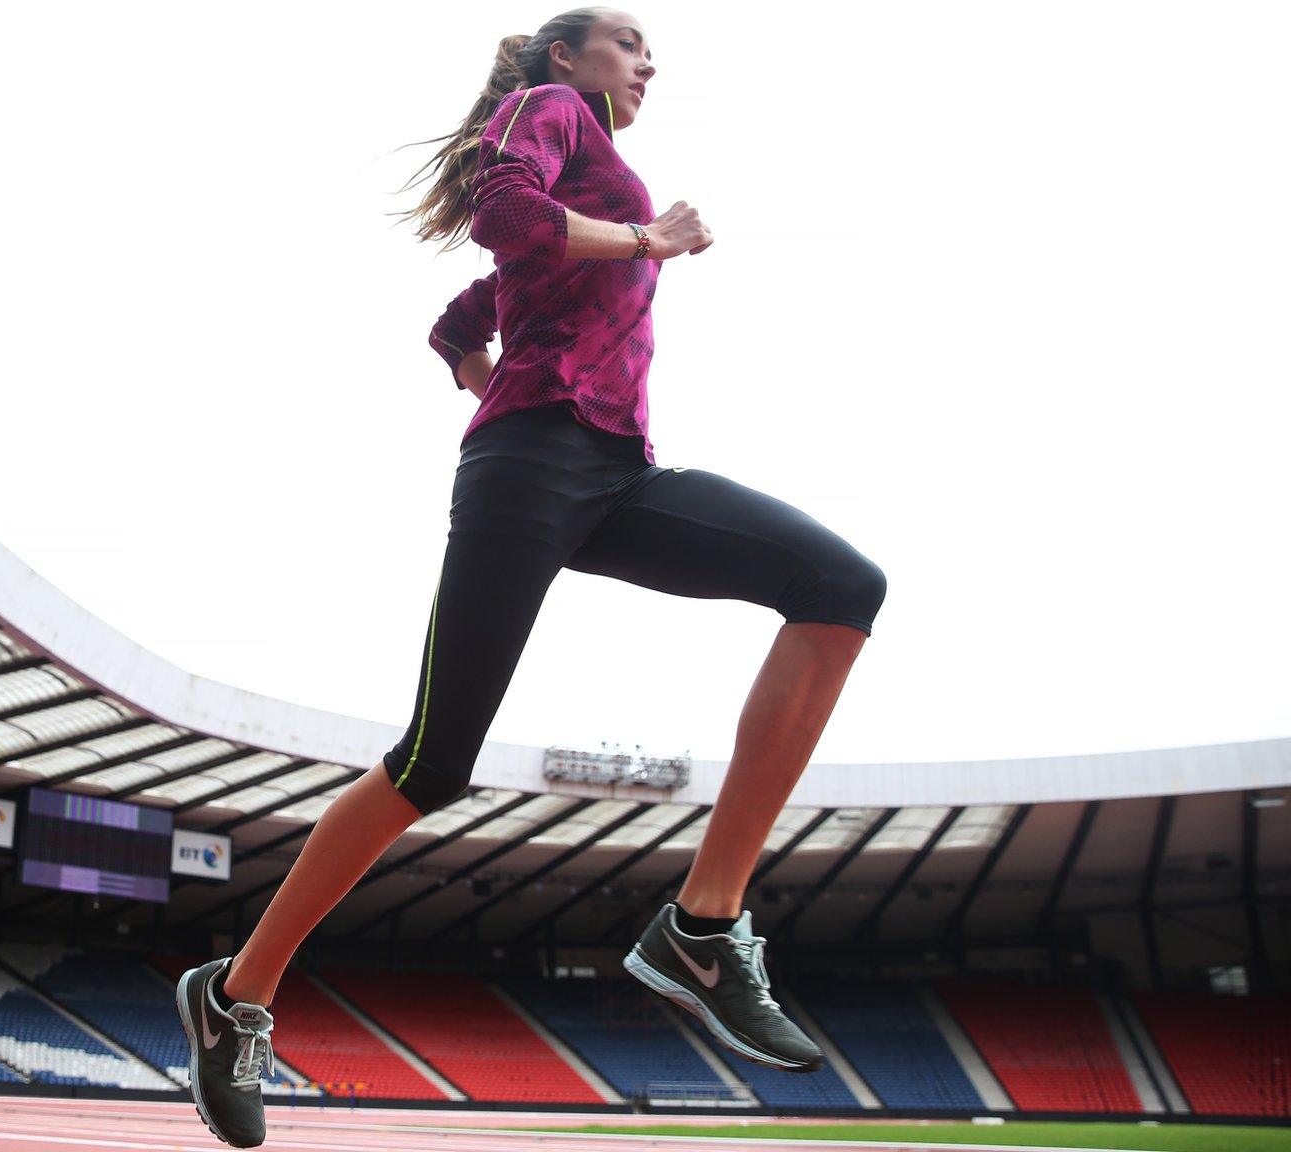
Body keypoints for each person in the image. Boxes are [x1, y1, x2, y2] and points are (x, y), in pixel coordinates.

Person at [175, 8, 885, 1145]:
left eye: (651, 53)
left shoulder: (601, 162)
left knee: (838, 586)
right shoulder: (546, 110)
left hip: (615, 475)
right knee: (430, 763)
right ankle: (234, 996)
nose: (647, 63)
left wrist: (479, 358)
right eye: (627, 42)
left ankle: (702, 925)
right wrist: (642, 244)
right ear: (566, 55)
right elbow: (504, 217)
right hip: (525, 472)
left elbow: (461, 315)